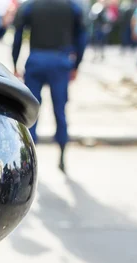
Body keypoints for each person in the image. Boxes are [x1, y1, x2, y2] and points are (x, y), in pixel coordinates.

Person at [12, 0, 87, 173]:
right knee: (60, 111)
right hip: (60, 62)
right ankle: (62, 155)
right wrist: (77, 65)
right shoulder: (72, 6)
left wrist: (15, 62)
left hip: (36, 61)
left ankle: (29, 161)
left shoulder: (31, 5)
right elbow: (81, 37)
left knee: (30, 111)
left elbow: (18, 34)